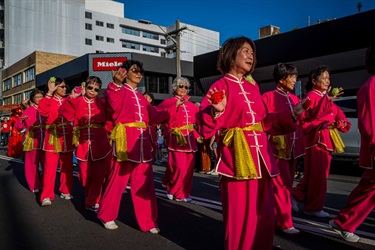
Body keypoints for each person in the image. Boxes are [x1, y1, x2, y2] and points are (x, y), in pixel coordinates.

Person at [198, 36, 307, 250]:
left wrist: (291, 114)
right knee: (239, 215)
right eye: (246, 51)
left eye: (252, 52)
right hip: (236, 158)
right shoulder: (220, 86)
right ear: (231, 55)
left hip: (263, 158)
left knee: (264, 212)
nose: (251, 56)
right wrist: (215, 111)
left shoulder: (253, 88)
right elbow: (203, 126)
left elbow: (266, 122)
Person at [98, 60, 171, 233]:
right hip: (125, 140)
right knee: (117, 181)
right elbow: (113, 104)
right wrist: (116, 83)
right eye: (134, 70)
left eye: (140, 71)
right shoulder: (119, 91)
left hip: (142, 142)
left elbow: (155, 115)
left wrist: (173, 109)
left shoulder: (140, 97)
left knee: (145, 183)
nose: (138, 74)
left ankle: (149, 222)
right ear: (126, 73)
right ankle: (106, 215)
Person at [328, 42, 375, 243]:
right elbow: (370, 123)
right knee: (369, 188)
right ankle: (343, 222)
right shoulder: (371, 86)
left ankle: (343, 221)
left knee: (369, 188)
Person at [290, 65, 351, 217]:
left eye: (328, 78)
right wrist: (326, 105)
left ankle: (294, 195)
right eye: (323, 78)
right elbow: (305, 121)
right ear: (313, 80)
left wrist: (341, 123)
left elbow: (338, 114)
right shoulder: (310, 97)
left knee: (313, 175)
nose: (326, 81)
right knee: (319, 176)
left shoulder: (325, 97)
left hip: (325, 140)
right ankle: (313, 207)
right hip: (316, 140)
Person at [262, 63, 305, 234]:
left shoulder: (295, 99)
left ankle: (275, 217)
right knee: (281, 185)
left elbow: (302, 123)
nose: (295, 80)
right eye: (291, 76)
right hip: (276, 148)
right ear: (281, 79)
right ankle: (284, 222)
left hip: (293, 147)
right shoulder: (268, 97)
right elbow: (265, 121)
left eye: (295, 76)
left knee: (286, 183)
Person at [59, 76, 112, 212]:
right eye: (90, 87)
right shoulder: (76, 101)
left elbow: (113, 112)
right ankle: (90, 195)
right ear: (85, 87)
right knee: (84, 176)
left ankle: (93, 200)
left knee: (99, 175)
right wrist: (72, 98)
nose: (93, 91)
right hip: (83, 144)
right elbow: (64, 113)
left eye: (96, 89)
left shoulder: (102, 102)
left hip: (100, 143)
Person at [158, 77, 200, 202]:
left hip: (190, 140)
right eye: (181, 86)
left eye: (186, 87)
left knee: (188, 170)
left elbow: (201, 118)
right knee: (178, 168)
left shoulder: (191, 105)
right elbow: (157, 114)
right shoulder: (168, 102)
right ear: (174, 87)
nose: (183, 89)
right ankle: (172, 189)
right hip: (176, 139)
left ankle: (184, 193)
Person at [38, 77, 74, 207]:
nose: (65, 89)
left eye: (65, 87)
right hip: (52, 136)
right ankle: (46, 195)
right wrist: (49, 92)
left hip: (67, 137)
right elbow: (42, 111)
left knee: (67, 167)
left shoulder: (67, 100)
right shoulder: (48, 100)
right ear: (55, 87)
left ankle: (65, 190)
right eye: (62, 87)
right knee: (50, 168)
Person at [15, 89, 45, 193]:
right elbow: (18, 126)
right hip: (32, 140)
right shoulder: (29, 110)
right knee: (31, 164)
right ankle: (34, 185)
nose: (39, 99)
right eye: (37, 97)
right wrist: (23, 121)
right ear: (33, 99)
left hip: (45, 140)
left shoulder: (46, 109)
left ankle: (43, 182)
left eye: (41, 96)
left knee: (46, 164)